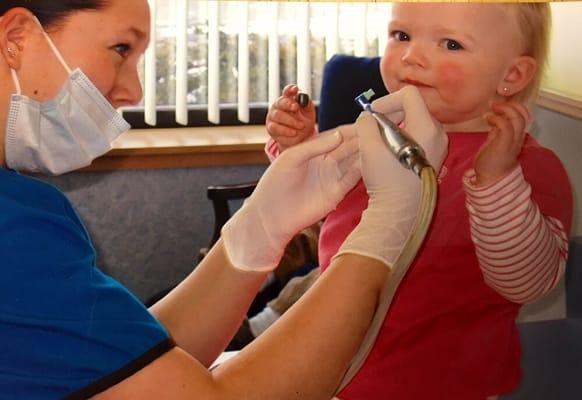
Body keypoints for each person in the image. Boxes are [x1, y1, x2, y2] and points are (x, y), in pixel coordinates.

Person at [0, 1, 448, 399]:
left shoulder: (23, 209)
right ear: (17, 38)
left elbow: (130, 365)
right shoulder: (14, 230)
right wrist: (387, 225)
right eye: (121, 48)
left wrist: (259, 227)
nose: (134, 92)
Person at [265, 3, 573, 399]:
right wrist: (297, 144)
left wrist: (496, 180)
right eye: (402, 36)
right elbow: (310, 194)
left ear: (512, 74)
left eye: (450, 44)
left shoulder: (527, 169)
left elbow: (525, 284)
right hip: (331, 365)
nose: (411, 57)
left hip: (444, 385)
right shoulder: (376, 135)